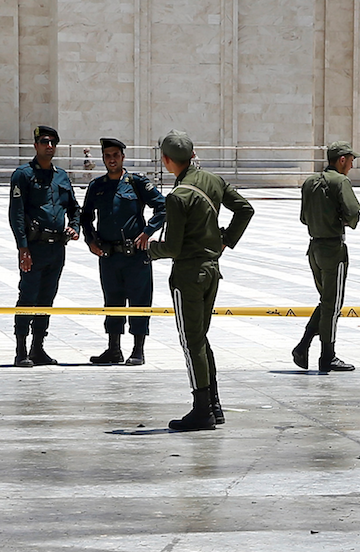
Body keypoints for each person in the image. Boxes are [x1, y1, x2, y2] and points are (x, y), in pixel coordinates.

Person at [148, 130, 254, 430]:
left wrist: (147, 250)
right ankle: (214, 406)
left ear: (167, 160)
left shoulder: (178, 196)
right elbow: (245, 209)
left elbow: (172, 247)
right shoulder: (213, 180)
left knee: (191, 340)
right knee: (201, 337)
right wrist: (226, 240)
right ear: (192, 156)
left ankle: (201, 409)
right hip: (211, 270)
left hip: (188, 275)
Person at [82, 138, 167, 366]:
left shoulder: (136, 183)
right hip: (109, 255)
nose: (112, 159)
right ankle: (114, 349)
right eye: (107, 156)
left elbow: (163, 206)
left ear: (123, 157)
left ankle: (138, 350)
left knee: (140, 301)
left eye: (115, 155)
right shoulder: (97, 186)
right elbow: (85, 217)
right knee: (112, 301)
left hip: (135, 255)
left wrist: (148, 232)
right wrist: (90, 240)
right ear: (103, 158)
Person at [8, 125, 81, 367]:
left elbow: (74, 208)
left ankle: (37, 347)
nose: (49, 146)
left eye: (52, 142)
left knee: (47, 298)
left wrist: (75, 227)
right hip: (34, 248)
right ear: (36, 145)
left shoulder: (61, 176)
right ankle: (21, 350)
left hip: (57, 248)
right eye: (44, 142)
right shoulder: (23, 174)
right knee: (27, 296)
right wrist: (23, 248)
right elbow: (16, 214)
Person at [293, 141, 360, 372]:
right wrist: (342, 220)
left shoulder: (310, 182)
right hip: (333, 249)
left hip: (314, 248)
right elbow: (353, 214)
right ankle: (327, 355)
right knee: (333, 305)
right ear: (341, 159)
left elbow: (304, 218)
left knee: (326, 301)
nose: (351, 166)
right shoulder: (340, 181)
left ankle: (303, 346)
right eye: (350, 161)